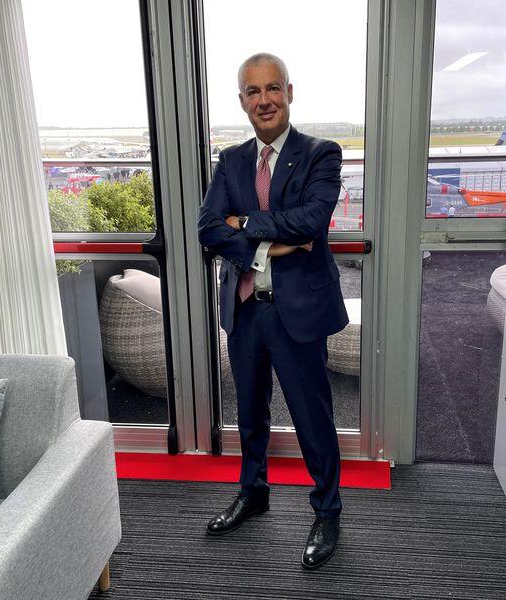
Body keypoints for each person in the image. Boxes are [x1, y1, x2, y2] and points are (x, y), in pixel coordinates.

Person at [198, 52, 348, 570]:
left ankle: (327, 510)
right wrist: (264, 246)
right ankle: (253, 491)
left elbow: (311, 221)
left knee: (312, 416)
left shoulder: (321, 153)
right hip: (245, 309)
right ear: (242, 100)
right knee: (250, 412)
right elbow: (207, 228)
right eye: (253, 92)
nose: (264, 100)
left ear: (289, 91)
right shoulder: (231, 161)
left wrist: (244, 223)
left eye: (272, 89)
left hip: (297, 312)